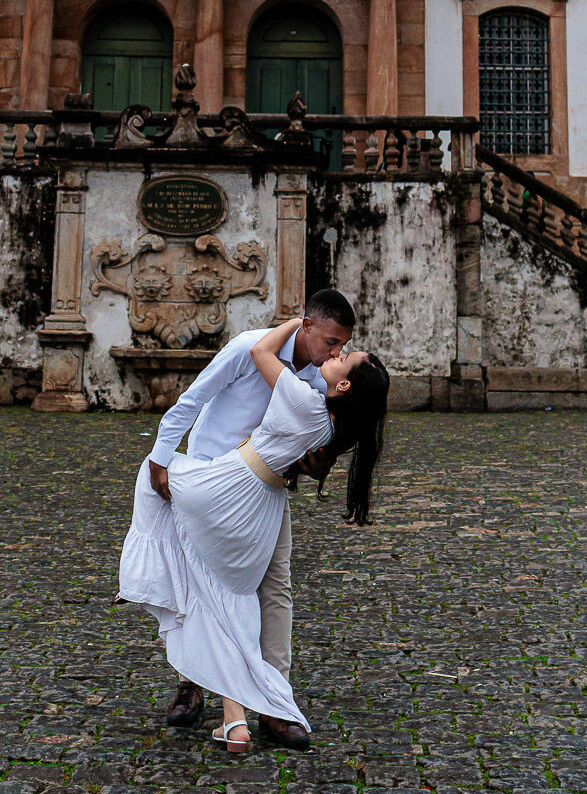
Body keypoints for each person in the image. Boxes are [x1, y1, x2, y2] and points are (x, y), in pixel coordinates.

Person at [119, 313, 390, 754]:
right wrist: (162, 454)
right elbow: (194, 399)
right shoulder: (256, 350)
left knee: (266, 589)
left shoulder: (315, 386)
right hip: (215, 471)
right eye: (333, 341)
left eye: (343, 348)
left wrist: (318, 462)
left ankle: (271, 702)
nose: (336, 352)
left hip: (260, 492)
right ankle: (200, 683)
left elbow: (321, 432)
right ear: (308, 326)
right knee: (215, 586)